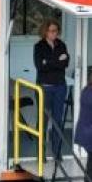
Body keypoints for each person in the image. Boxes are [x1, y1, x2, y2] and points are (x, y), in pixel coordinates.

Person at [33, 19, 69, 160]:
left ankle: (57, 152)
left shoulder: (61, 45)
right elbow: (40, 66)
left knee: (57, 120)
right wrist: (57, 61)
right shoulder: (39, 46)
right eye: (51, 31)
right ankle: (41, 154)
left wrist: (49, 62)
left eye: (56, 30)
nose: (54, 33)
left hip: (60, 87)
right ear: (45, 31)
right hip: (44, 88)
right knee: (43, 120)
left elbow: (66, 63)